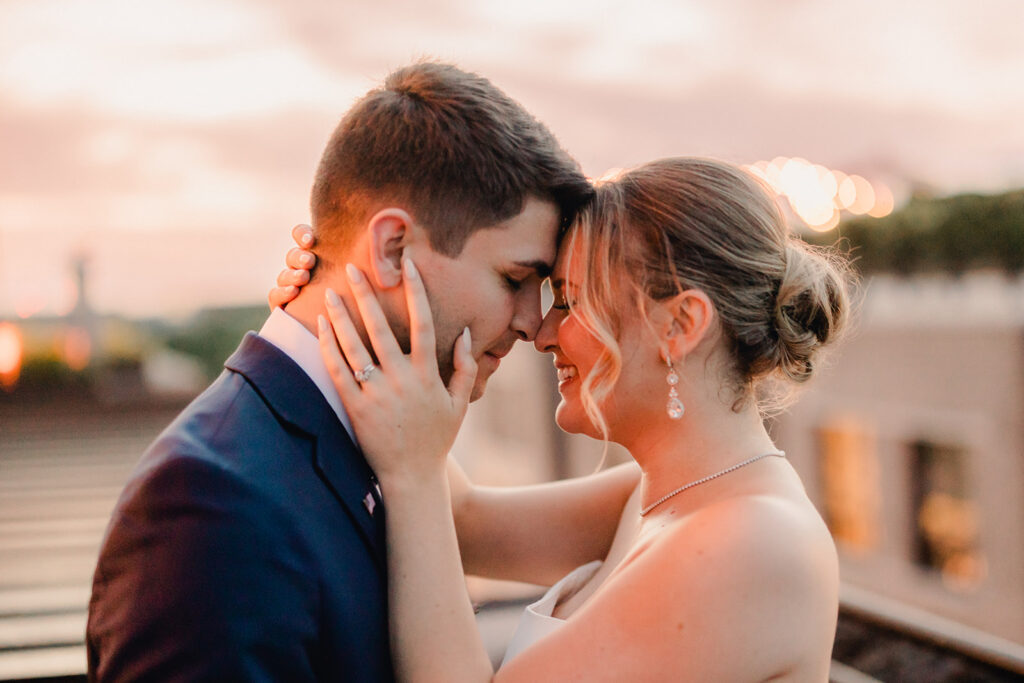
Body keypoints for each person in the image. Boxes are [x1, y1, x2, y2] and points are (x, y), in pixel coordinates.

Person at [86, 61, 593, 681]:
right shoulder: (209, 503)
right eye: (514, 280)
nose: (532, 323)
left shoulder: (388, 442)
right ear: (392, 248)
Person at [272, 156, 852, 680]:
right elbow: (463, 523)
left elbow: (423, 492)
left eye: (571, 301)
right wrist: (345, 301)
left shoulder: (752, 542)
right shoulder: (659, 494)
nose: (543, 333)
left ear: (680, 325)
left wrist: (415, 470)